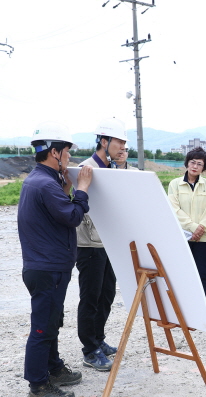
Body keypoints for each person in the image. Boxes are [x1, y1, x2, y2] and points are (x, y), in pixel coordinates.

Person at [18, 121, 93, 397]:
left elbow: (56, 213)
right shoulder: (46, 184)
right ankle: (38, 387)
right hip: (47, 268)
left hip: (48, 266)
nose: (70, 158)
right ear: (54, 152)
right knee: (42, 328)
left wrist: (66, 187)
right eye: (68, 152)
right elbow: (73, 216)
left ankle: (53, 367)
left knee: (51, 322)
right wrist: (81, 189)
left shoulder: (39, 180)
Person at [75, 118, 128, 372]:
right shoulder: (84, 169)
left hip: (109, 243)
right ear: (104, 142)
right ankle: (89, 350)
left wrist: (122, 167)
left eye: (125, 143)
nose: (122, 147)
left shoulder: (114, 168)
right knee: (91, 297)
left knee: (106, 295)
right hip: (89, 244)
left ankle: (98, 338)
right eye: (119, 142)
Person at [168, 147, 206, 302]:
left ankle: (204, 308)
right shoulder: (175, 184)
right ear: (187, 163)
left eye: (199, 164)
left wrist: (200, 229)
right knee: (182, 273)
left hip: (203, 238)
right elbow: (175, 209)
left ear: (204, 167)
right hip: (183, 236)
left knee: (202, 274)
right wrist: (194, 228)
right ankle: (184, 309)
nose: (195, 166)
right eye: (192, 162)